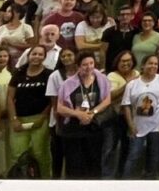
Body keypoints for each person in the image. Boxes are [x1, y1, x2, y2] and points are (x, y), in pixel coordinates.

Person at [55, 51, 112, 179]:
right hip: (73, 129)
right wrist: (78, 114)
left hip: (93, 127)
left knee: (94, 162)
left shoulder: (101, 79)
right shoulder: (68, 84)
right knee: (75, 165)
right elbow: (59, 108)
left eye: (91, 63)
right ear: (78, 66)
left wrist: (93, 113)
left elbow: (107, 100)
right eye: (85, 64)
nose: (89, 67)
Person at [121, 53, 159, 179]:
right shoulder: (132, 84)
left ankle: (151, 184)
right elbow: (126, 106)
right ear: (143, 65)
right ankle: (125, 183)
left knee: (154, 158)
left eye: (156, 64)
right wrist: (130, 125)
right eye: (150, 63)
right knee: (133, 156)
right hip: (138, 127)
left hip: (156, 126)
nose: (153, 66)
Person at [7, 45, 53, 178]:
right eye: (34, 54)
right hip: (19, 119)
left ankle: (45, 180)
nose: (37, 57)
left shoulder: (49, 74)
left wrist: (43, 117)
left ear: (44, 57)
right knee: (17, 153)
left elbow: (52, 99)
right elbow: (10, 97)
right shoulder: (19, 72)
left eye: (40, 54)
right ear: (28, 55)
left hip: (40, 119)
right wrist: (13, 119)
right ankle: (19, 180)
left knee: (40, 153)